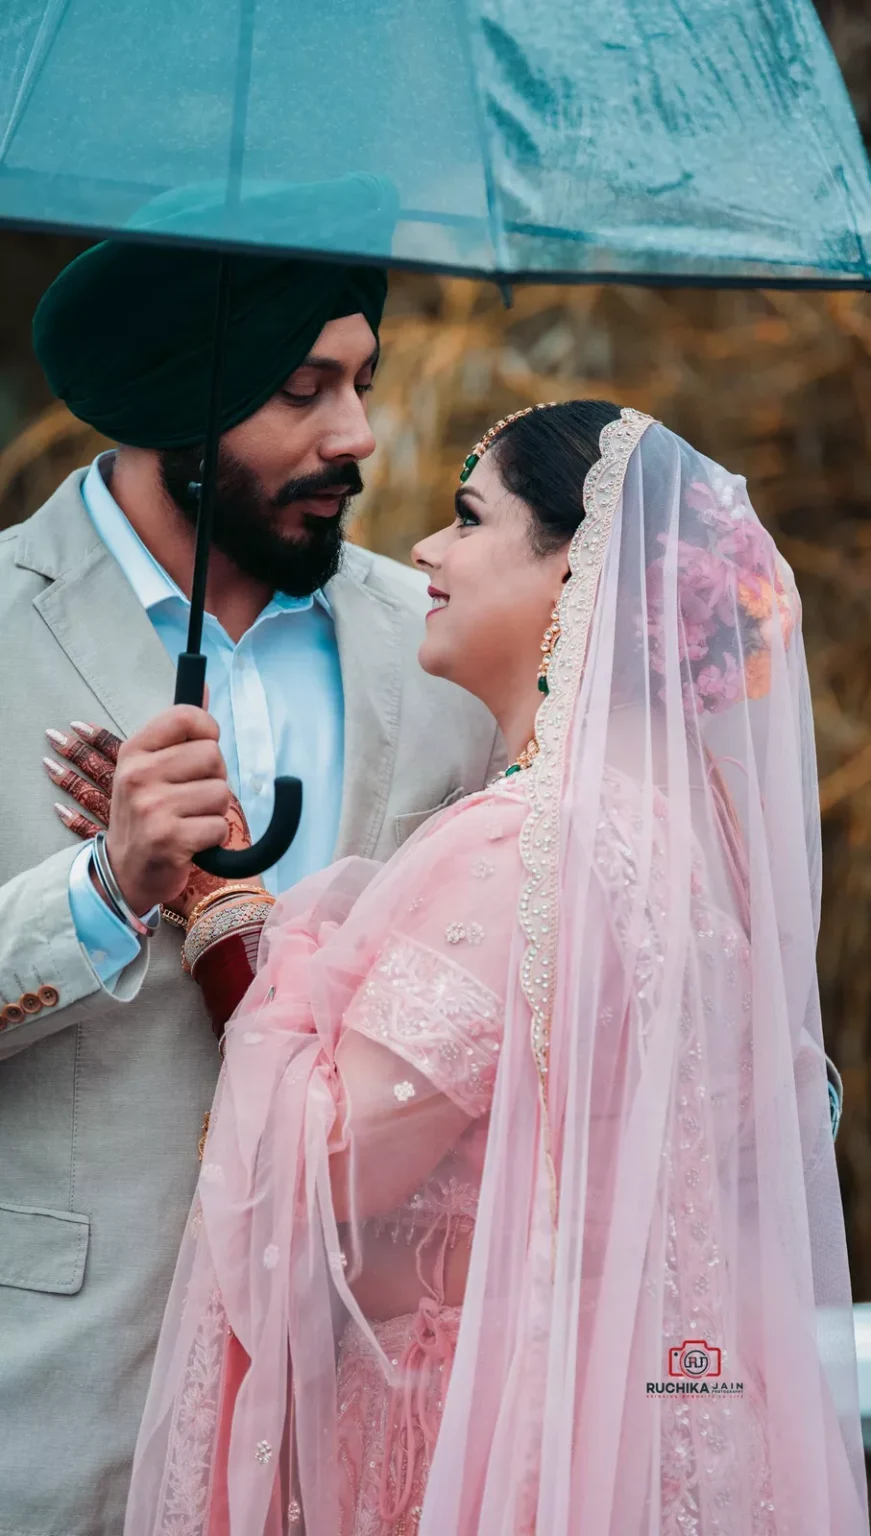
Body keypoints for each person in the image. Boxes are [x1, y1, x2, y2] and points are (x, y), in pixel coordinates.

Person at [108, 401, 867, 1533]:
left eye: (469, 518)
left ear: (581, 574)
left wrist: (227, 926)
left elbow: (318, 1180)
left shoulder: (525, 845)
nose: (424, 549)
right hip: (638, 1418)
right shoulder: (697, 842)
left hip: (465, 1433)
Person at [0, 176, 503, 1536]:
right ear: (177, 399)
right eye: (300, 388)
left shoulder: (446, 645)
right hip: (68, 1418)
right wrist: (101, 898)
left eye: (361, 379)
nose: (358, 433)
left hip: (363, 1430)